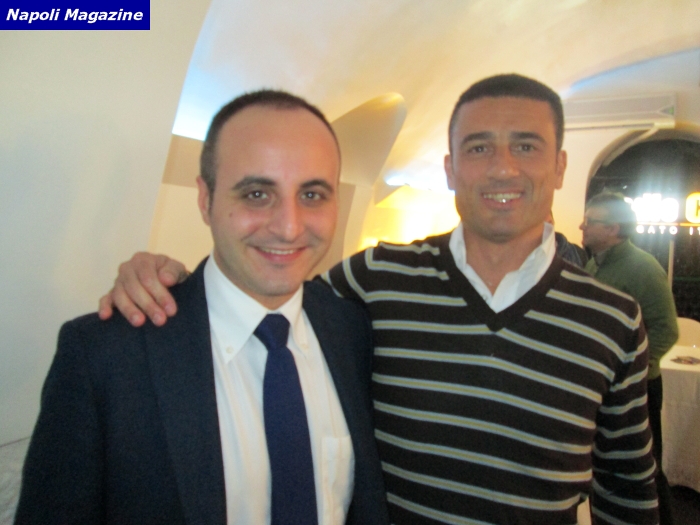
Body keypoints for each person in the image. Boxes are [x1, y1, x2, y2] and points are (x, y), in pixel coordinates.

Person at [99, 75, 659, 524]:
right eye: (479, 147)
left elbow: (627, 493)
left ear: (559, 166)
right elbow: (265, 292)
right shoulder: (376, 277)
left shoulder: (613, 320)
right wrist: (164, 278)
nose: (502, 167)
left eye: (526, 146)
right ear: (450, 169)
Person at [15, 91, 390, 525]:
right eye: (256, 194)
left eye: (312, 194)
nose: (289, 227)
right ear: (204, 198)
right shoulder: (104, 356)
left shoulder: (352, 329)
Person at [581, 190, 678, 525]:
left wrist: (635, 370)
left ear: (613, 229)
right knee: (606, 467)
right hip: (602, 385)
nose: (582, 226)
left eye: (591, 221)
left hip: (639, 389)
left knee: (642, 469)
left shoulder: (643, 268)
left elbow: (666, 329)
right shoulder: (594, 263)